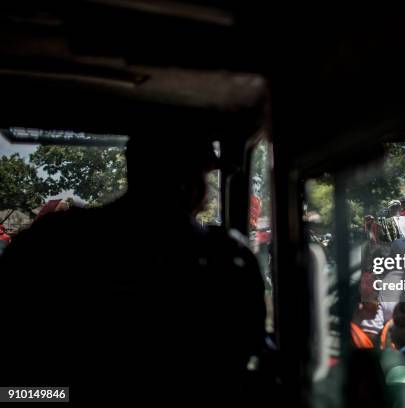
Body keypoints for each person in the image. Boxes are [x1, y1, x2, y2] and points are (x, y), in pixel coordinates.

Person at [0, 134, 266, 404]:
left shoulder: (50, 242)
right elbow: (241, 360)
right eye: (205, 178)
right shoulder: (230, 259)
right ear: (193, 186)